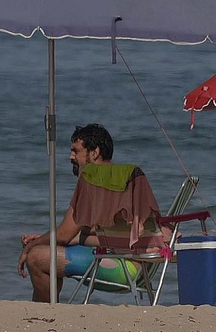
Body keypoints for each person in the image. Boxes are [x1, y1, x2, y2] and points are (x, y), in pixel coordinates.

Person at [18, 124, 159, 302]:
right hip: (142, 267)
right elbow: (85, 234)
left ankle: (45, 313)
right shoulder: (121, 179)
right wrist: (47, 239)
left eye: (75, 151)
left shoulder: (92, 179)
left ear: (95, 152)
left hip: (122, 268)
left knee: (37, 257)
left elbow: (63, 235)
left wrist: (32, 246)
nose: (71, 156)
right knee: (49, 249)